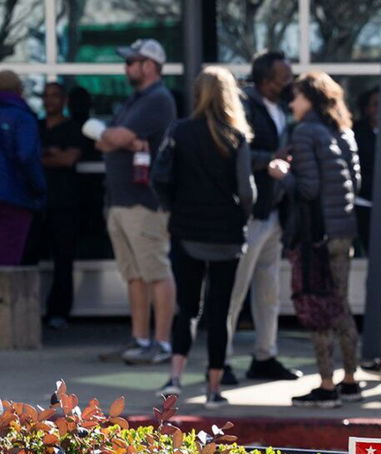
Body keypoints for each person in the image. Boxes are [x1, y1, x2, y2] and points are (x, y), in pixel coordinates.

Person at [152, 67, 256, 409]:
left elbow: (160, 178)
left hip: (187, 230)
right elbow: (246, 189)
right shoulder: (236, 137)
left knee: (187, 307)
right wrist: (242, 216)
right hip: (226, 233)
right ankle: (214, 388)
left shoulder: (179, 131)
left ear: (198, 94)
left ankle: (175, 378)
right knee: (220, 311)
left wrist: (174, 208)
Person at [278, 71, 362, 408]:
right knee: (341, 304)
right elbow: (354, 184)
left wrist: (283, 175)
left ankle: (327, 386)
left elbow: (308, 190)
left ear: (310, 99)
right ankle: (352, 381)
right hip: (344, 231)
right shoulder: (344, 132)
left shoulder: (305, 132)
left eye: (296, 97)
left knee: (318, 307)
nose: (291, 103)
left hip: (316, 237)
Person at [95, 39, 177, 365]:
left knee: (156, 271)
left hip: (145, 202)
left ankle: (163, 344)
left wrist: (114, 138)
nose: (127, 67)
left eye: (132, 62)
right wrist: (114, 138)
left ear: (150, 66)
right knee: (134, 275)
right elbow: (107, 143)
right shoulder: (136, 100)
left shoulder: (158, 99)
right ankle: (140, 339)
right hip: (121, 200)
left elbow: (110, 138)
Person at [223, 51, 301, 385]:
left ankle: (265, 356)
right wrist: (270, 159)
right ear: (266, 79)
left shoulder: (281, 107)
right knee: (234, 291)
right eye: (283, 78)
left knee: (269, 292)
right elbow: (232, 154)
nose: (288, 83)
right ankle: (221, 360)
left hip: (275, 212)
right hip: (250, 213)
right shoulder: (244, 107)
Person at [38, 82, 88, 328]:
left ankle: (59, 312)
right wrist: (51, 154)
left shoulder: (72, 128)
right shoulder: (35, 126)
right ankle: (27, 310)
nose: (50, 101)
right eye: (46, 96)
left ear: (64, 100)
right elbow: (27, 157)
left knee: (63, 259)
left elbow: (69, 159)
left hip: (65, 203)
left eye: (55, 96)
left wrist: (46, 155)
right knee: (28, 258)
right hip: (37, 202)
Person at [0, 71, 46, 266]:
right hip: (14, 198)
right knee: (8, 259)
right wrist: (39, 189)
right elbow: (26, 156)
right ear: (19, 90)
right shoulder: (22, 117)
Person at [353, 86, 380, 253]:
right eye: (375, 104)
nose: (379, 108)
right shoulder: (356, 132)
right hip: (363, 203)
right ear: (366, 108)